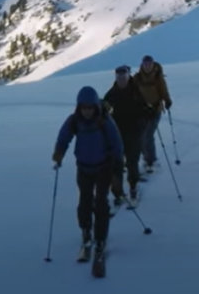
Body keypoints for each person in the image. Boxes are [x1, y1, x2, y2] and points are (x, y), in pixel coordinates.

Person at [52, 86, 124, 256]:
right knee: (84, 202)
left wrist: (117, 168)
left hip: (103, 168)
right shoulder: (74, 120)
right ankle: (85, 230)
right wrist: (59, 154)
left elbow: (116, 144)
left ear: (95, 107)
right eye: (83, 108)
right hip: (83, 167)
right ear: (79, 107)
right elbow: (64, 137)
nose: (87, 111)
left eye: (90, 107)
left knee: (101, 203)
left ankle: (100, 237)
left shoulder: (104, 121)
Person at [103, 65, 147, 203]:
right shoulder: (111, 94)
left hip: (134, 133)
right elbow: (104, 112)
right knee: (117, 163)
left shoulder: (137, 91)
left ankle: (133, 187)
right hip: (117, 134)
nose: (121, 80)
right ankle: (118, 192)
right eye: (119, 77)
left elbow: (144, 109)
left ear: (128, 76)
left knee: (132, 161)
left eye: (124, 77)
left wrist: (144, 118)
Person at [135, 55, 172, 172]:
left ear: (153, 64)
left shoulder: (158, 77)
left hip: (156, 110)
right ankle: (146, 158)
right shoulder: (137, 77)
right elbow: (133, 92)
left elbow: (163, 91)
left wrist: (167, 101)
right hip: (142, 111)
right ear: (142, 65)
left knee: (148, 135)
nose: (147, 66)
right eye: (145, 64)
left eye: (149, 64)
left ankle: (151, 160)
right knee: (141, 135)